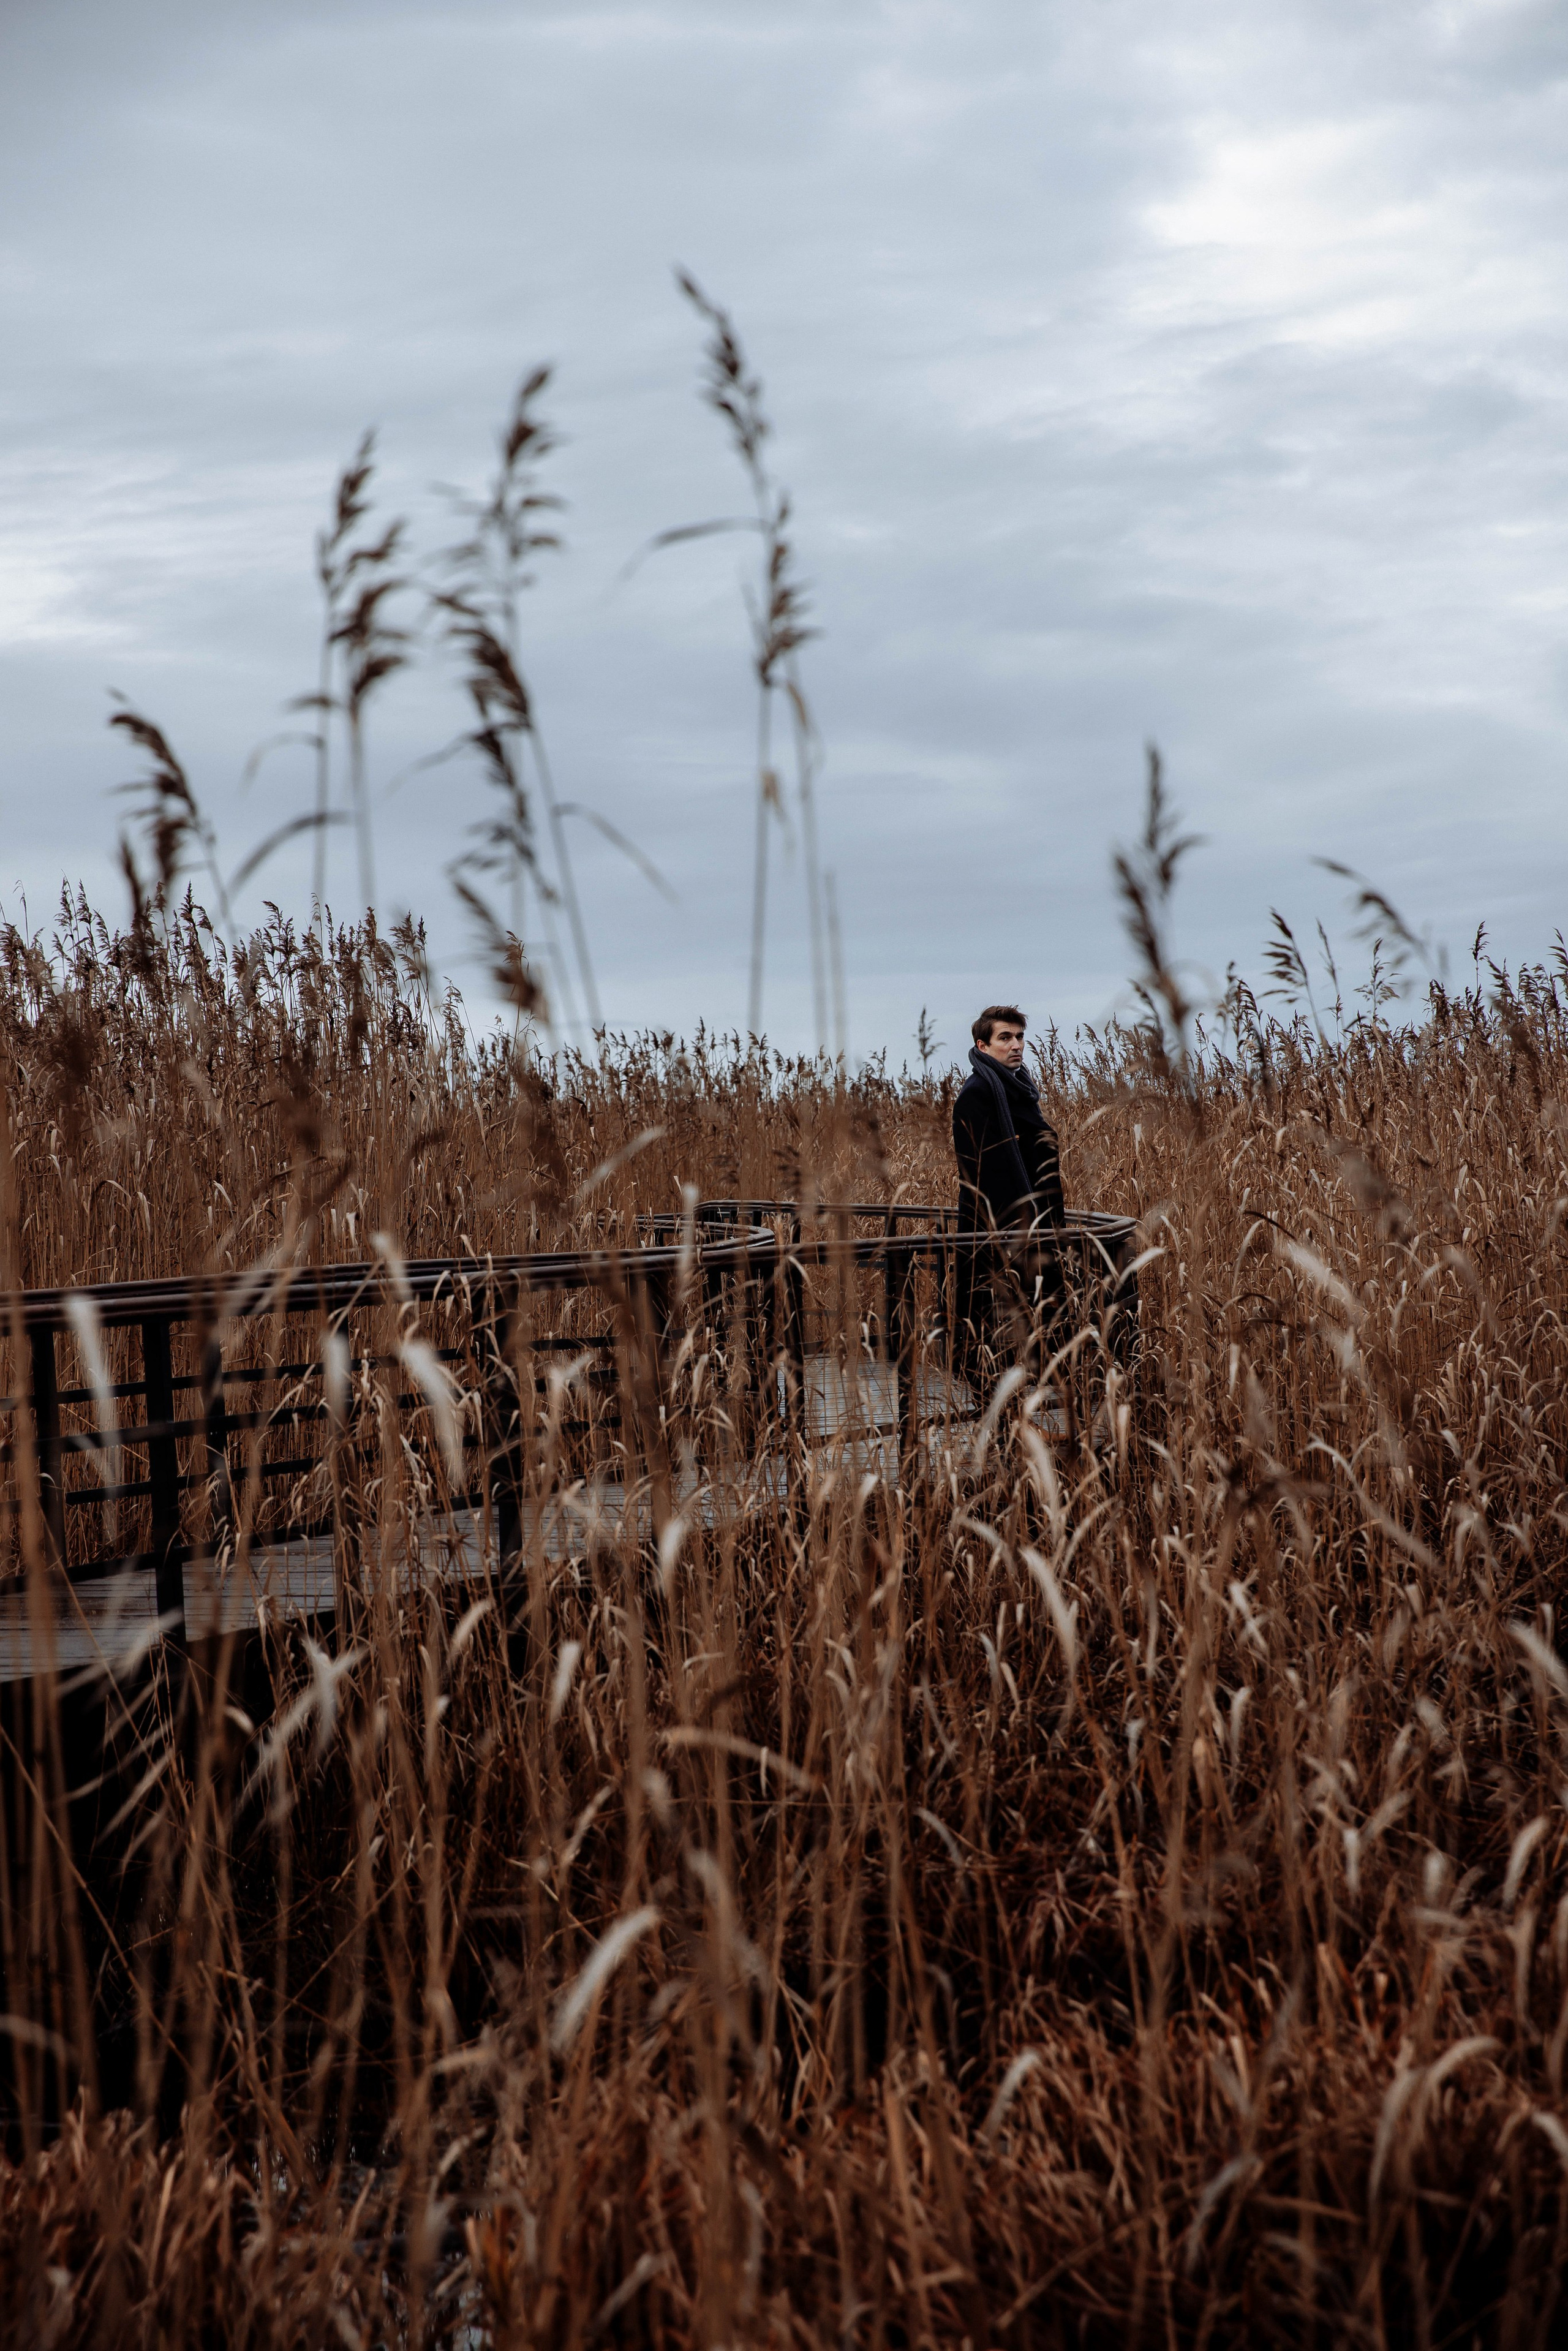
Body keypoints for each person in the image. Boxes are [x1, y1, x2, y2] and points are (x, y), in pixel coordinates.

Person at [951, 1004, 1065, 1383]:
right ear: (983, 1046)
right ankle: (997, 1420)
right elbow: (982, 1173)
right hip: (999, 1234)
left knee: (1041, 1327)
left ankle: (1034, 1413)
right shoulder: (978, 1095)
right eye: (1005, 1038)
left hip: (1033, 1231)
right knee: (994, 1328)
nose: (1016, 1045)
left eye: (1019, 1037)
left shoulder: (1019, 1091)